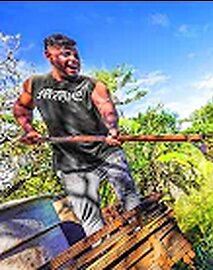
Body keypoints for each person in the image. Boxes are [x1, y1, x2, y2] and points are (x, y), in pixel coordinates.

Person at [12, 33, 141, 236]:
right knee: (89, 218)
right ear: (49, 56)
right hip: (71, 164)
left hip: (105, 151)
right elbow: (21, 108)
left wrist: (113, 129)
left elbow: (106, 108)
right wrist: (29, 130)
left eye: (76, 55)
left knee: (128, 195)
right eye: (65, 54)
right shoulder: (35, 84)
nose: (74, 59)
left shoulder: (92, 84)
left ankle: (140, 233)